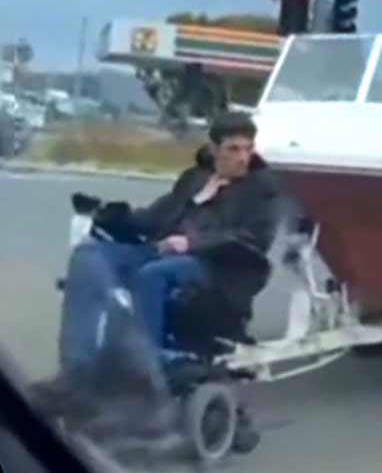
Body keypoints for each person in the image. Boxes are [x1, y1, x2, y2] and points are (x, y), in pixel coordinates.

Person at [42, 112, 282, 426]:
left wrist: (191, 242)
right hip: (159, 252)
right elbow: (153, 218)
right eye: (233, 149)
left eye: (247, 149)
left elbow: (253, 239)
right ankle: (77, 370)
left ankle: (146, 376)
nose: (242, 158)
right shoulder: (194, 179)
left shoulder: (261, 190)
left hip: (214, 269)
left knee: (152, 275)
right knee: (89, 256)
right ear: (213, 149)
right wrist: (111, 216)